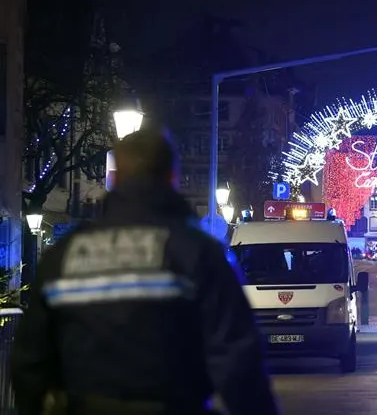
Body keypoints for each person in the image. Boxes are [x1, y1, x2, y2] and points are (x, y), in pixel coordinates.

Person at [11, 128, 281, 415]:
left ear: (116, 179)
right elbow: (237, 360)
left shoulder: (63, 255)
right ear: (171, 178)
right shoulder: (197, 252)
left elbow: (30, 361)